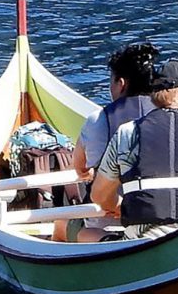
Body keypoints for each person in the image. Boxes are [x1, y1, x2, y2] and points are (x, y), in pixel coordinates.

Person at [90, 58, 178, 240]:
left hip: (141, 240)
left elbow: (99, 195)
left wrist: (118, 207)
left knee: (82, 231)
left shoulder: (127, 132)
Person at [59, 42, 159, 242]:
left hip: (106, 224)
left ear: (121, 83)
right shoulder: (167, 119)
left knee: (60, 224)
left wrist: (87, 173)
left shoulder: (98, 119)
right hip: (157, 220)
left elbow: (80, 168)